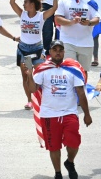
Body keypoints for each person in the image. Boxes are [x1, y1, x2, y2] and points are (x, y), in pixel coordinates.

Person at [22, 40, 93, 179]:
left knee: (74, 143)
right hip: (49, 114)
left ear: (64, 52)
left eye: (61, 49)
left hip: (69, 113)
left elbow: (81, 93)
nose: (58, 52)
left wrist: (87, 114)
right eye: (55, 49)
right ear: (50, 52)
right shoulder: (43, 69)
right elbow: (32, 89)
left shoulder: (72, 68)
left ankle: (70, 162)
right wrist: (29, 74)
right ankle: (58, 173)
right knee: (54, 147)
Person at [9, 0, 56, 109]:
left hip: (37, 50)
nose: (23, 4)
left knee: (41, 76)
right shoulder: (22, 14)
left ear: (32, 4)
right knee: (26, 76)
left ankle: (44, 99)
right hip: (24, 51)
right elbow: (12, 2)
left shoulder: (41, 16)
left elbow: (55, 8)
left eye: (25, 2)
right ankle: (29, 100)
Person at [55, 0, 101, 71]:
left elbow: (97, 18)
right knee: (70, 71)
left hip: (85, 42)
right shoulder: (64, 0)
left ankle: (83, 86)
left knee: (83, 72)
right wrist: (71, 22)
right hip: (68, 41)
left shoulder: (90, 1)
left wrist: (89, 22)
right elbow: (57, 18)